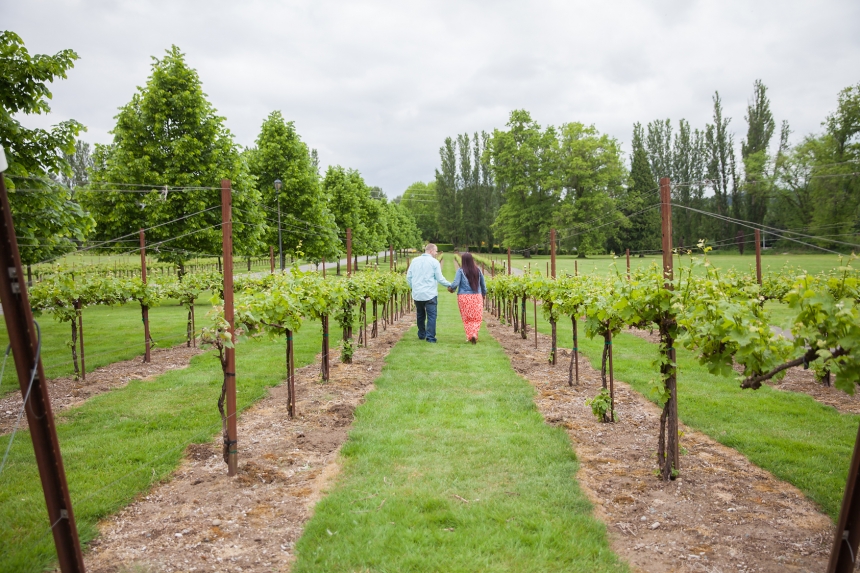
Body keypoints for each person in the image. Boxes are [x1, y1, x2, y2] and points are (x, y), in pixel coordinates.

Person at [405, 243, 452, 343]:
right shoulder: (434, 262)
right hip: (430, 294)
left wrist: (414, 288)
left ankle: (422, 334)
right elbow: (440, 278)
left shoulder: (414, 261)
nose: (436, 253)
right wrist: (450, 285)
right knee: (431, 316)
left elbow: (408, 277)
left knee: (420, 314)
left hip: (417, 294)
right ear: (431, 251)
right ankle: (430, 337)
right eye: (435, 251)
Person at [448, 252, 487, 344]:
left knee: (466, 318)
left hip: (463, 297)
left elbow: (455, 283)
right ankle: (474, 334)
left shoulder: (460, 271)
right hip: (476, 296)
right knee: (477, 317)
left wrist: (451, 288)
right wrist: (484, 294)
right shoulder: (478, 270)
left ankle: (470, 335)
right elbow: (483, 284)